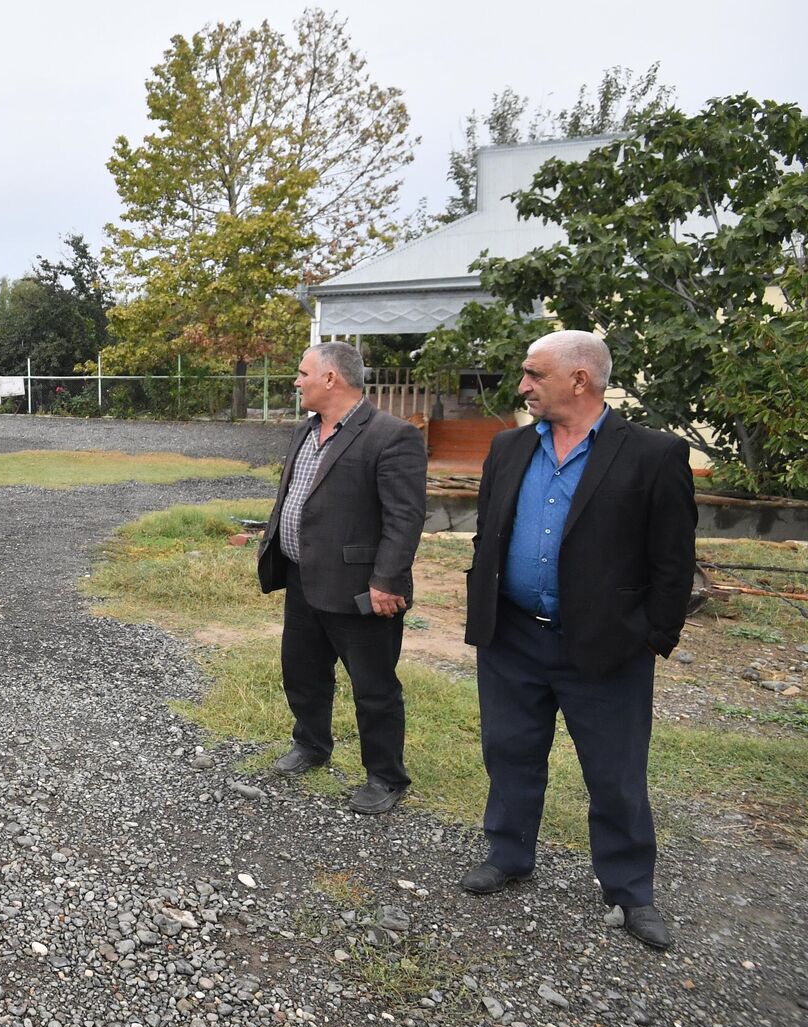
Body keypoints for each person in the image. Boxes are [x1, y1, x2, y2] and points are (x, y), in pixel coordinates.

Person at [460, 330, 695, 950]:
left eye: (534, 375)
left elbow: (674, 564)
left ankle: (629, 889)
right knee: (509, 751)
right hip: (512, 638)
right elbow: (491, 532)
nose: (523, 386)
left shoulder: (652, 455)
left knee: (615, 772)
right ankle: (509, 855)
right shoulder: (510, 447)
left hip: (605, 647)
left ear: (580, 380)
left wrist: (651, 638)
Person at [257, 342, 428, 814]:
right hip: (303, 579)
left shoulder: (391, 436)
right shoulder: (305, 431)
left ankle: (385, 777)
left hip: (360, 590)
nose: (296, 381)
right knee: (303, 672)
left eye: (302, 372)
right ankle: (311, 745)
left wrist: (388, 581)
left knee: (373, 687)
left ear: (331, 378)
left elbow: (405, 517)